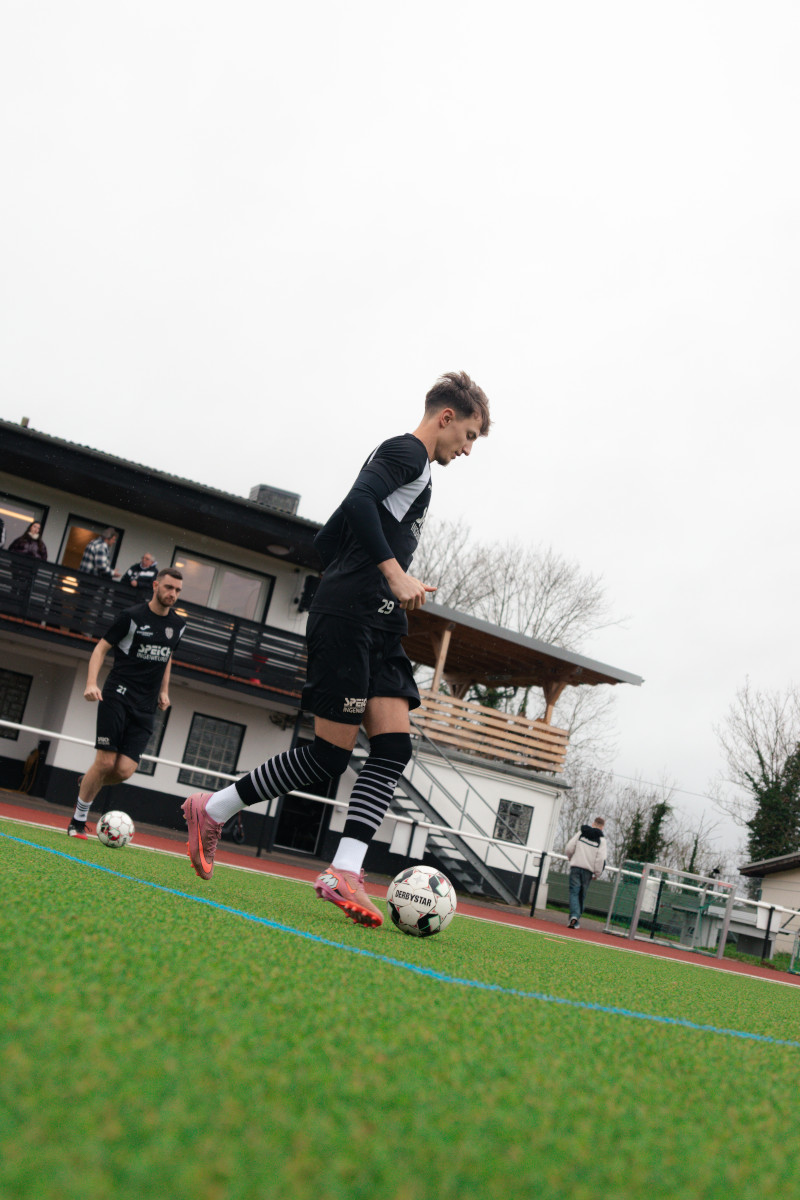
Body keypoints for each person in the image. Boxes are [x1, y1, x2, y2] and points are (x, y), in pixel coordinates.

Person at [183, 370, 491, 927]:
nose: (467, 450)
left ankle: (344, 869)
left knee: (394, 748)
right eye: (468, 435)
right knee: (329, 755)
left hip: (376, 622)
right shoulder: (407, 453)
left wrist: (363, 579)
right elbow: (358, 502)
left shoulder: (413, 468)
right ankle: (212, 807)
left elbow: (331, 535)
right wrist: (389, 575)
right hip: (352, 620)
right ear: (447, 418)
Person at [66, 568, 186, 838]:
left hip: (145, 706)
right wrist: (90, 683)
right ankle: (77, 820)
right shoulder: (131, 617)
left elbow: (167, 657)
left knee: (124, 771)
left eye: (177, 590)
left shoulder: (178, 625)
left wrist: (164, 691)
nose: (172, 594)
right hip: (117, 695)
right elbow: (100, 648)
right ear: (155, 585)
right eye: (168, 587)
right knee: (106, 763)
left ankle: (87, 780)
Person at [565, 817, 607, 929]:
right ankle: (575, 918)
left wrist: (570, 857)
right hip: (588, 871)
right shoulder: (601, 840)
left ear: (593, 823)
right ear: (602, 827)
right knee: (581, 895)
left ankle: (573, 918)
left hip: (576, 867)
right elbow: (600, 859)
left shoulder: (581, 833)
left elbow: (569, 847)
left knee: (574, 892)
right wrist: (597, 873)